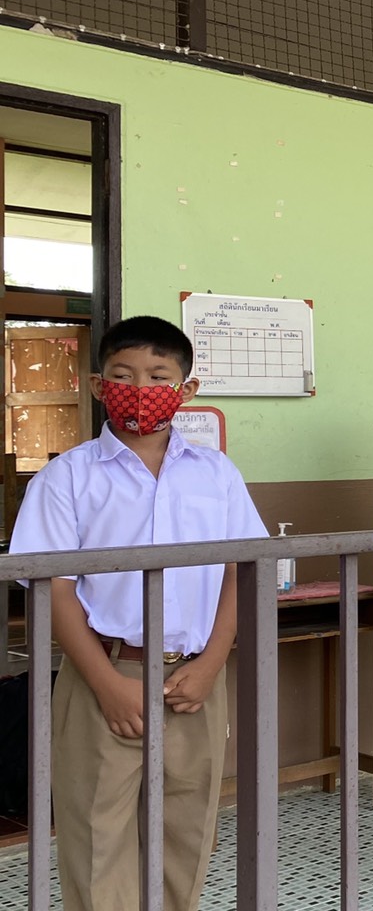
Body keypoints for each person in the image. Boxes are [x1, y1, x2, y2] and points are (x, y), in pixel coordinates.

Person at [10, 315, 268, 911]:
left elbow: (242, 571)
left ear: (186, 389)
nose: (140, 388)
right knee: (97, 839)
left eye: (157, 375)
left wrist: (212, 663)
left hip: (195, 680)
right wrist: (106, 684)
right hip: (106, 675)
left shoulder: (216, 474)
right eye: (123, 376)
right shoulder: (67, 478)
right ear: (98, 385)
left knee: (186, 833)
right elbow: (52, 589)